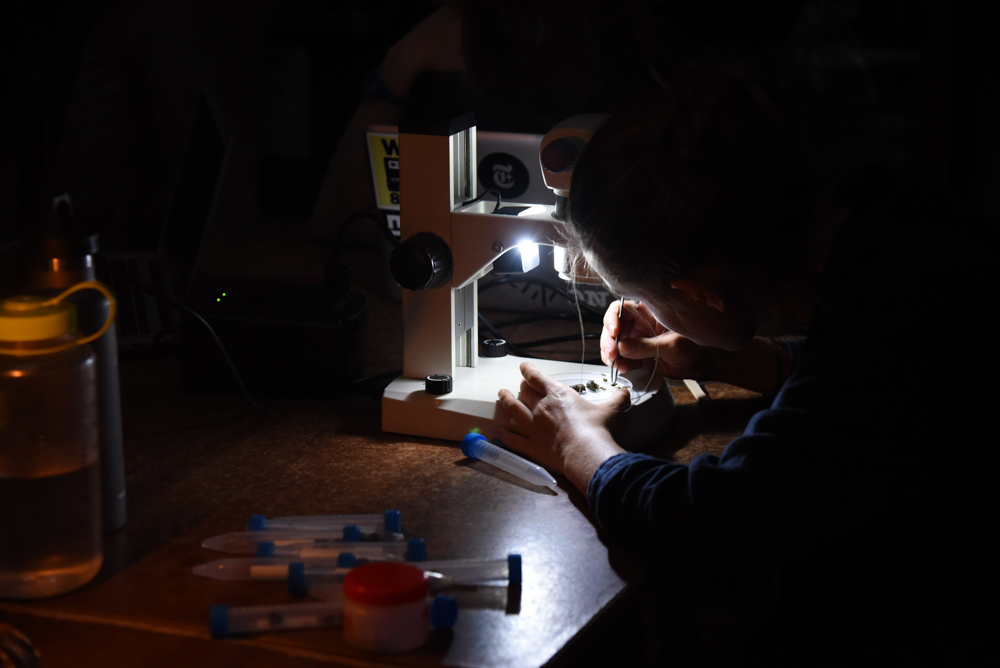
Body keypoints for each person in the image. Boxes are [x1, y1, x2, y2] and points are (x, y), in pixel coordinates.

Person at [495, 75, 994, 664]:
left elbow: (719, 527)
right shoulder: (897, 230)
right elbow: (868, 393)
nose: (651, 316)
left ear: (702, 293)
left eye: (653, 299)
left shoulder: (894, 315)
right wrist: (724, 356)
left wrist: (580, 446)